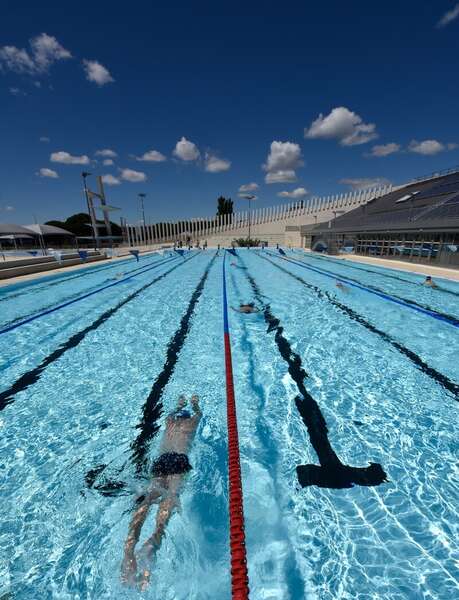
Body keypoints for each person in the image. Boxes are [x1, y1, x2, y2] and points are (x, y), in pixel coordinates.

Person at [121, 395, 202, 589]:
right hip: (179, 461)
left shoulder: (169, 422)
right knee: (171, 497)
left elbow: (171, 413)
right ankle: (154, 539)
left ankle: (129, 548)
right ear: (187, 418)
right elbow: (199, 413)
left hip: (161, 461)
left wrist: (180, 404)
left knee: (148, 498)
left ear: (175, 419)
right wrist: (195, 404)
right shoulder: (192, 422)